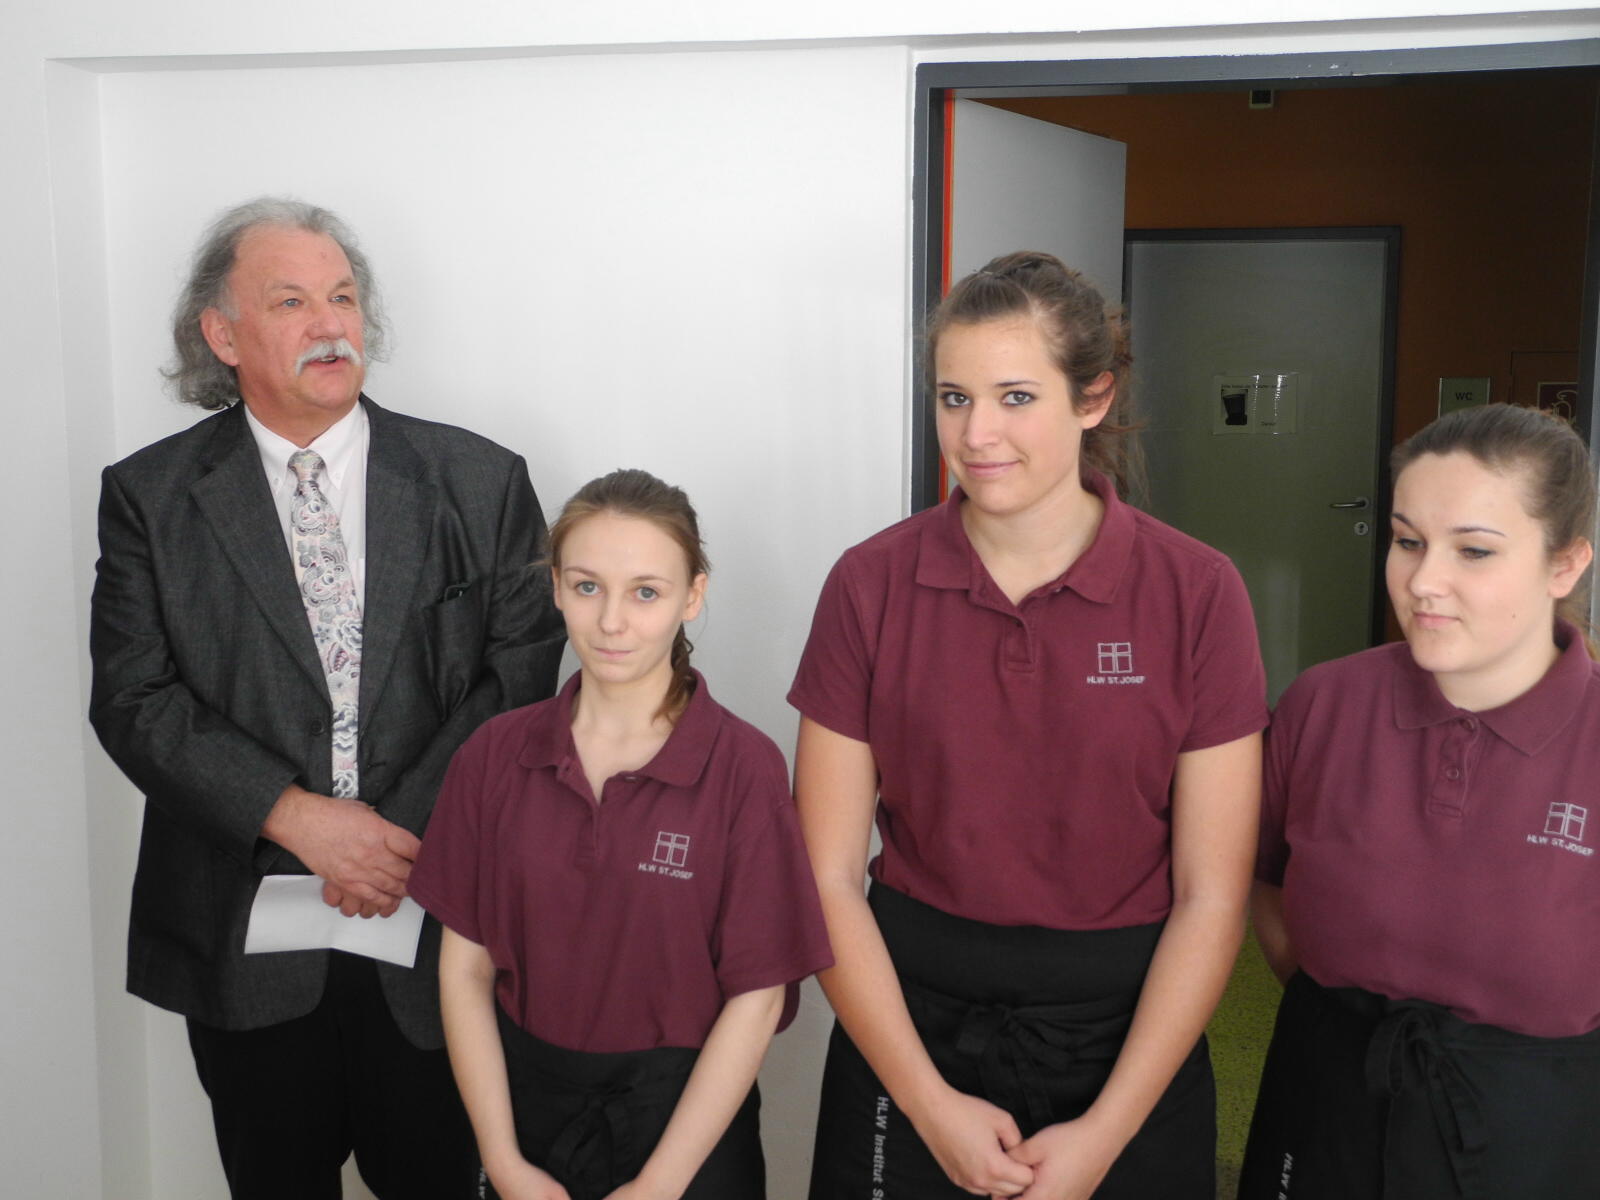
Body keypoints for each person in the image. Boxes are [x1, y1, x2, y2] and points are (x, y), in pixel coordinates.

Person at [88, 196, 565, 1199]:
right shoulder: (150, 498)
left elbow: (520, 670)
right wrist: (298, 818)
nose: (330, 324)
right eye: (291, 301)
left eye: (343, 297)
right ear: (223, 336)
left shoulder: (479, 481)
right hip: (244, 929)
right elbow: (134, 698)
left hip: (437, 925)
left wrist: (389, 837)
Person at [790, 251, 1267, 1200]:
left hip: (1128, 1049)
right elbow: (827, 877)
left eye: (1015, 397)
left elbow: (1212, 898)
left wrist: (1103, 1136)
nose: (977, 435)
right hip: (910, 1037)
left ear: (1093, 398)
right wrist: (929, 1106)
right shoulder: (868, 584)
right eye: (954, 398)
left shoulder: (1198, 593)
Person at [409, 468, 834, 1200]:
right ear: (555, 587)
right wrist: (503, 1161)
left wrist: (660, 1185)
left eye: (645, 592)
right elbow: (464, 972)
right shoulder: (492, 756)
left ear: (692, 596)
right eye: (587, 587)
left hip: (688, 1133)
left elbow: (759, 998)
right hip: (521, 1119)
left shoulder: (743, 767)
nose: (611, 622)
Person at [1241, 403, 1600, 1200]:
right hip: (1330, 1087)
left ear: (1565, 565)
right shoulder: (1323, 704)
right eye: (1408, 542)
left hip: (1536, 1126)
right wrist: (1338, 1013)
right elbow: (1264, 877)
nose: (1423, 582)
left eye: (1474, 550)